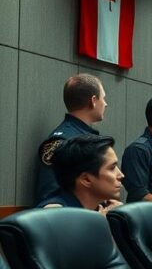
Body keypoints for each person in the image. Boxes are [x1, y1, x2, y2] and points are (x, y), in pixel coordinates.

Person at [35, 74, 107, 204]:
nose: (106, 104)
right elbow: (50, 197)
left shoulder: (89, 137)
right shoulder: (61, 142)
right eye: (104, 98)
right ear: (93, 101)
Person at [38, 134, 124, 215]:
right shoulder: (56, 214)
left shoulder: (106, 208)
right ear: (86, 179)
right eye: (112, 168)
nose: (121, 175)